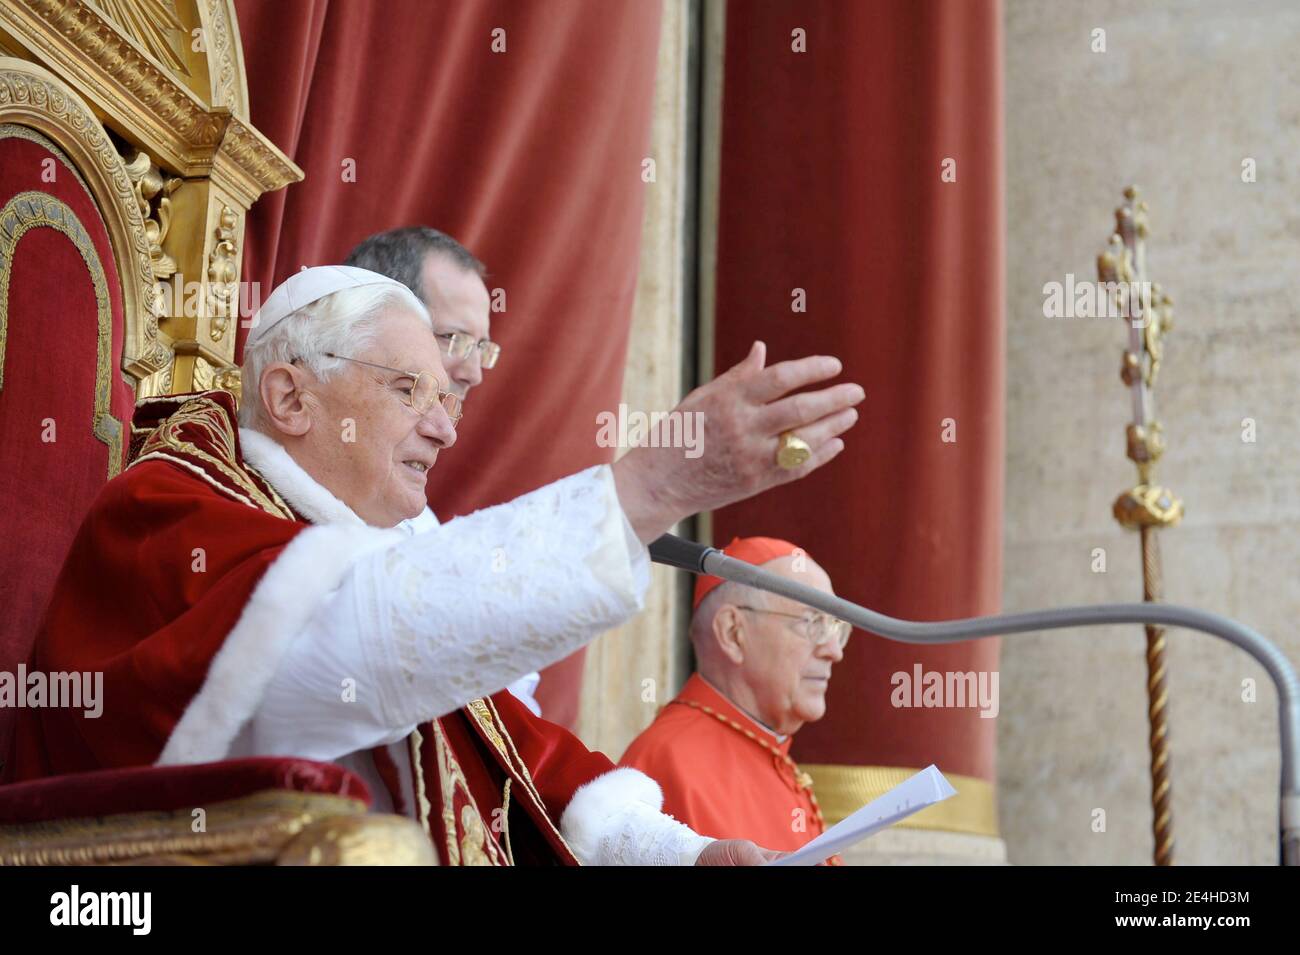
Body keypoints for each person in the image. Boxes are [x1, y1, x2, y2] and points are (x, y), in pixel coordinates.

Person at [3, 267, 864, 865]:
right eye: (406, 391)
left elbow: (533, 760)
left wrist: (689, 852)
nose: (447, 428)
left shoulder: (381, 553)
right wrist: (649, 487)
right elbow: (335, 642)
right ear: (292, 398)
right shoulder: (165, 509)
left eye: (445, 398)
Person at [345, 228, 546, 714]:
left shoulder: (422, 525)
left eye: (483, 348)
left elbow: (511, 707)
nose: (475, 372)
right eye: (455, 338)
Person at [621, 537, 849, 857]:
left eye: (836, 628)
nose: (834, 651)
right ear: (732, 633)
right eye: (812, 622)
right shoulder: (668, 762)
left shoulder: (771, 753)